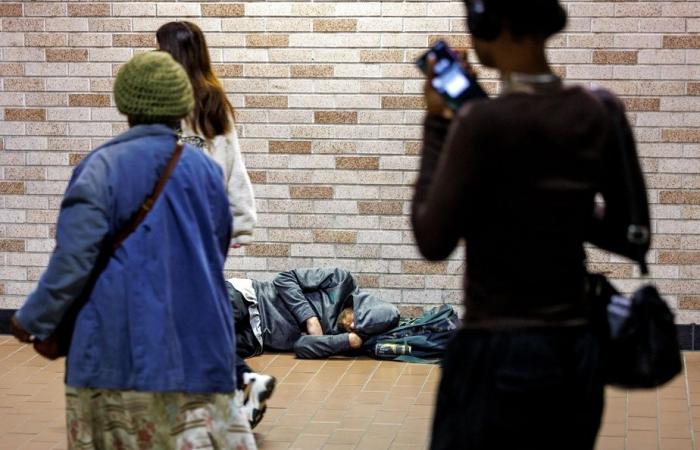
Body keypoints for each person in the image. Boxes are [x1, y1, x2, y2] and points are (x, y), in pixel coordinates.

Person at [411, 1, 650, 449]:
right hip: (575, 352)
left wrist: (438, 123)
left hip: (495, 351)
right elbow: (631, 235)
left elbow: (432, 239)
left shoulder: (477, 122)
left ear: (494, 24)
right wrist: (558, 203)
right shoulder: (600, 111)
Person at [9, 52, 256, 449]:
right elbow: (215, 252)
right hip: (198, 351)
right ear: (181, 104)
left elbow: (73, 260)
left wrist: (32, 318)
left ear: (126, 103)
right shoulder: (206, 171)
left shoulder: (101, 167)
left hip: (117, 353)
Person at [156, 21, 257, 248]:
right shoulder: (155, 96)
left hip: (202, 217)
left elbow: (231, 159)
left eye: (160, 48)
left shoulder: (210, 100)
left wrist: (240, 223)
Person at [228, 267, 400, 360]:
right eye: (356, 320)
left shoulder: (342, 336)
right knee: (215, 321)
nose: (351, 327)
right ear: (359, 306)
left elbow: (301, 346)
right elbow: (284, 279)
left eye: (357, 330)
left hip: (256, 338)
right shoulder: (340, 281)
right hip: (250, 297)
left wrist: (346, 341)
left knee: (212, 350)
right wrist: (309, 318)